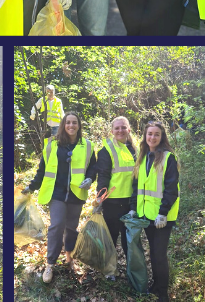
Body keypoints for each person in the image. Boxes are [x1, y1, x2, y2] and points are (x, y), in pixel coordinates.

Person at [22, 112, 97, 283]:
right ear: (63, 125)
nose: (71, 126)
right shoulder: (52, 145)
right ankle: (50, 264)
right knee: (56, 225)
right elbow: (42, 170)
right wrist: (32, 186)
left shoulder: (87, 145)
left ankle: (69, 259)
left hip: (76, 193)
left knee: (71, 227)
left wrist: (90, 178)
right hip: (56, 193)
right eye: (68, 122)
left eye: (74, 123)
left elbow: (93, 168)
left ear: (79, 126)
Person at [129, 121, 179, 302]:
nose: (152, 137)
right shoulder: (142, 157)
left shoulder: (168, 158)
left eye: (156, 134)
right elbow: (137, 186)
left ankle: (163, 296)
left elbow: (171, 189)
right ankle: (157, 286)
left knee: (159, 255)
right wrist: (134, 208)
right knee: (154, 253)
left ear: (162, 137)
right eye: (149, 134)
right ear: (145, 136)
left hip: (161, 218)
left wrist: (163, 213)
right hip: (146, 215)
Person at [94, 116, 137, 278]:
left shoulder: (134, 150)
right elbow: (103, 177)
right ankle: (109, 270)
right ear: (111, 131)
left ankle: (131, 271)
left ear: (129, 130)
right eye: (117, 128)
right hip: (112, 202)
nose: (120, 130)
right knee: (111, 237)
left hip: (131, 202)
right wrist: (99, 199)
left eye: (123, 127)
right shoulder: (106, 150)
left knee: (129, 240)